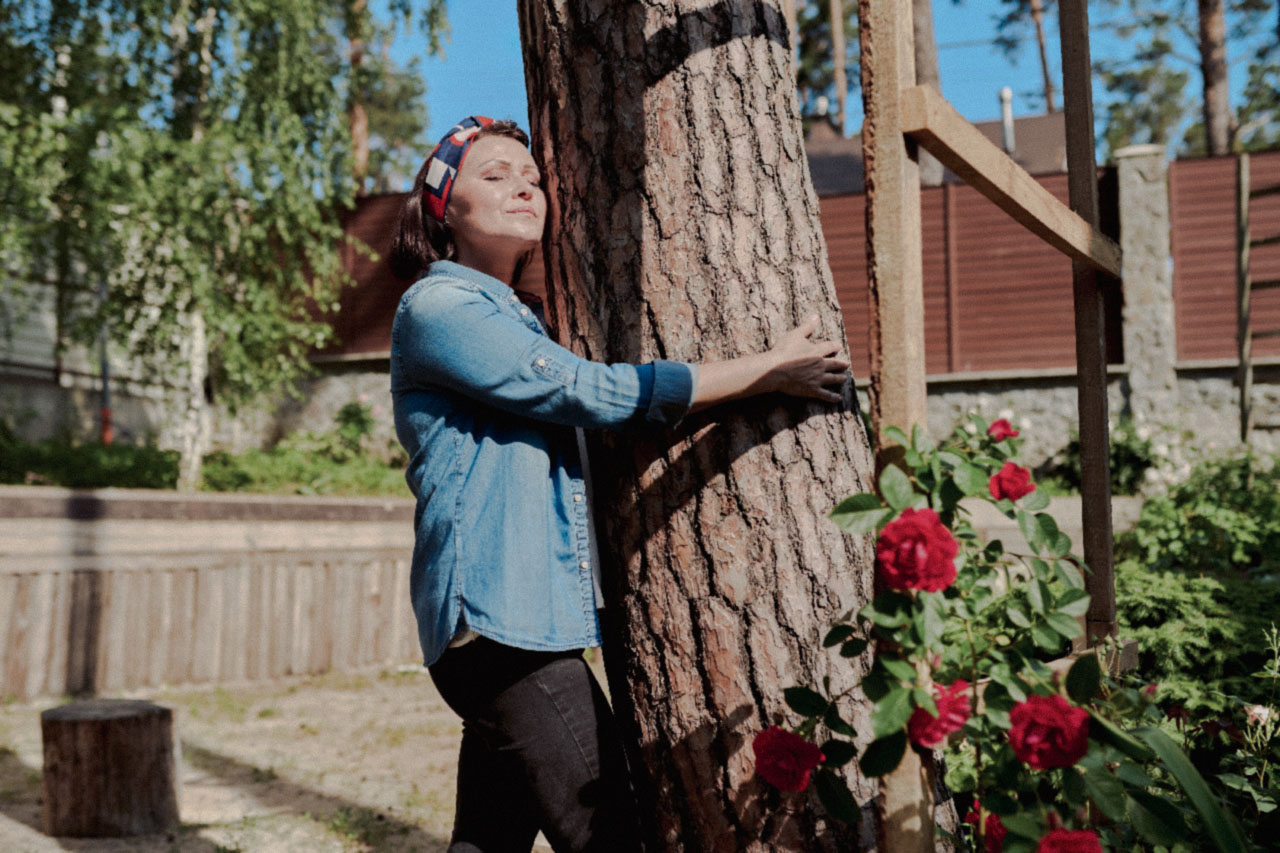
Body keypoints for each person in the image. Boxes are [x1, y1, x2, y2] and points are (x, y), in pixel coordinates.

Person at [388, 116, 849, 853]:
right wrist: (765, 368)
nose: (523, 187)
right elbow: (591, 392)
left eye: (532, 178)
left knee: (488, 840)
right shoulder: (441, 308)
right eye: (495, 174)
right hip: (502, 628)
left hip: (508, 629)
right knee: (612, 836)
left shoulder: (521, 320)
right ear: (444, 207)